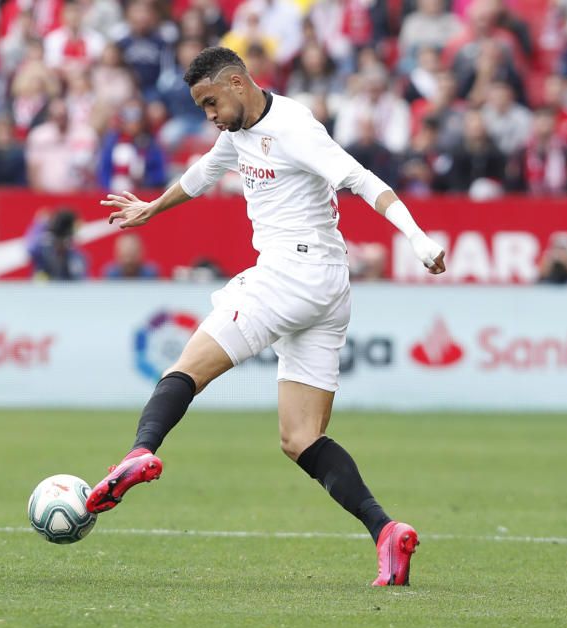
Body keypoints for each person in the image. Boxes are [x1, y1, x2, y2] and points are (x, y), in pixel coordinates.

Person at [90, 47, 446, 587]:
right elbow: (203, 173)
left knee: (186, 366)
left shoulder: (295, 127)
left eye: (211, 102)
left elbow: (362, 179)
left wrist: (418, 239)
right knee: (301, 437)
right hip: (327, 287)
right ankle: (386, 532)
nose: (209, 114)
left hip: (290, 274)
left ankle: (141, 452)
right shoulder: (236, 135)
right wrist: (150, 209)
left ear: (237, 82)